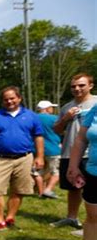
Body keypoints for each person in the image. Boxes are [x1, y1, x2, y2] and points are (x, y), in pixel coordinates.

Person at [0, 86, 44, 230]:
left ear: (19, 98)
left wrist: (40, 157)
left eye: (12, 98)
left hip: (24, 158)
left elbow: (38, 137)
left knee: (19, 190)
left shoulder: (31, 116)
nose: (9, 101)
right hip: (0, 158)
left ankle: (10, 217)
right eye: (6, 99)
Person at [51, 73, 97, 229]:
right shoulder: (66, 107)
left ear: (90, 85)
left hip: (91, 154)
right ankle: (72, 218)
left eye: (81, 85)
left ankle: (91, 223)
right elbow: (56, 130)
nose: (77, 89)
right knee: (73, 188)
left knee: (92, 190)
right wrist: (66, 118)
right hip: (69, 153)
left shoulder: (96, 103)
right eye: (73, 86)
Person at [67, 103, 97, 240]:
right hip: (94, 172)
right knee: (93, 216)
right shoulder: (96, 108)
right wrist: (73, 165)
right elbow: (80, 139)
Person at [32, 100, 61, 199]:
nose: (52, 109)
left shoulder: (32, 118)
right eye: (51, 107)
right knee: (56, 172)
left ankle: (41, 193)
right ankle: (48, 190)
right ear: (47, 108)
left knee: (38, 173)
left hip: (36, 150)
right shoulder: (55, 118)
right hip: (53, 149)